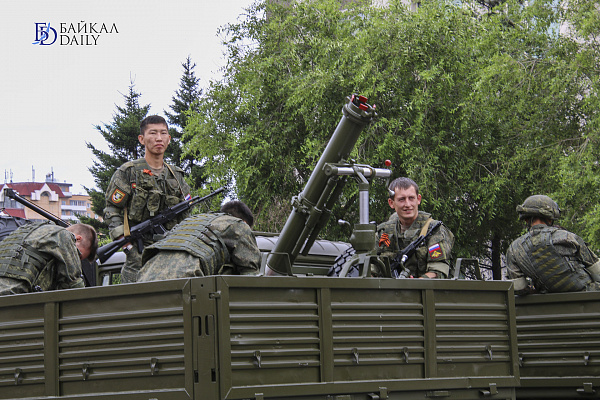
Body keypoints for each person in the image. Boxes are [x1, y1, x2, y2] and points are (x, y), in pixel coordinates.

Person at [104, 115, 191, 283]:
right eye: (153, 133)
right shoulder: (129, 172)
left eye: (163, 133)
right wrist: (126, 246)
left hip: (171, 258)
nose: (159, 138)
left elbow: (186, 213)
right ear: (141, 139)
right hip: (138, 258)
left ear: (169, 139)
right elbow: (111, 209)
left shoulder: (176, 175)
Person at [137, 200, 261, 281]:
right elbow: (251, 275)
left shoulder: (192, 220)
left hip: (144, 278)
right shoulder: (239, 225)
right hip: (187, 282)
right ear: (244, 222)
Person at [506, 195, 600, 295]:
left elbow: (519, 288)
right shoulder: (568, 237)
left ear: (526, 220)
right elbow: (597, 271)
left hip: (546, 302)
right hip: (588, 296)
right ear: (550, 219)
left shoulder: (514, 249)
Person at [376, 177, 454, 278]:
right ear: (391, 203)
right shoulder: (383, 232)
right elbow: (370, 266)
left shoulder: (434, 230)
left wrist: (414, 283)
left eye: (411, 198)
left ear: (418, 199)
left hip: (424, 287)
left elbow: (438, 271)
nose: (407, 204)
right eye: (401, 199)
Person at [0, 222, 97, 295]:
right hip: (13, 297)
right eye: (78, 255)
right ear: (77, 239)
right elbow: (74, 286)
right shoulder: (63, 235)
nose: (76, 260)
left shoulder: (27, 230)